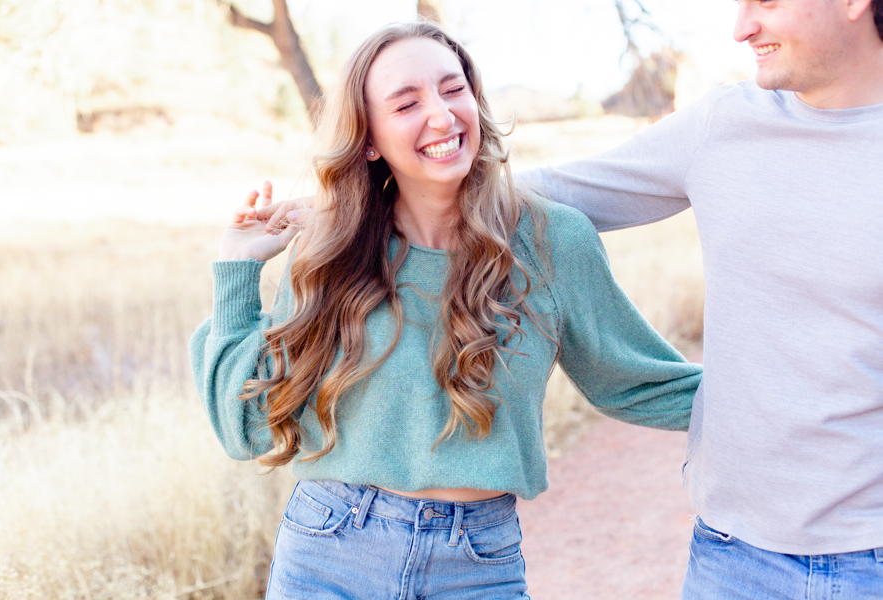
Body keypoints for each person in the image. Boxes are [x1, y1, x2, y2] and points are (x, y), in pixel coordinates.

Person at [190, 22, 701, 600]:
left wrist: (793, 410)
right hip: (327, 552)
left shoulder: (551, 241)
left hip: (476, 563)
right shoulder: (333, 251)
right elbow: (247, 431)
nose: (440, 115)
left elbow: (636, 382)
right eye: (406, 103)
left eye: (452, 89)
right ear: (369, 139)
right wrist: (236, 271)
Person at [517, 1, 883, 598]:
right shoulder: (723, 125)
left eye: (765, 2)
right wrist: (362, 201)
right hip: (732, 559)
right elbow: (551, 194)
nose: (741, 28)